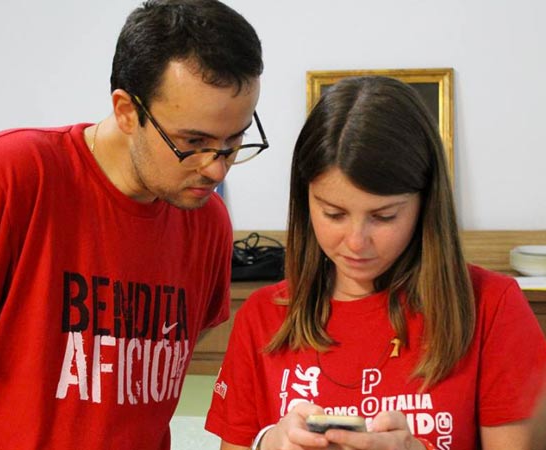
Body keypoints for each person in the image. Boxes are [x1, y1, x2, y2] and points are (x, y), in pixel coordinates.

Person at [0, 1, 266, 449]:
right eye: (193, 141)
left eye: (234, 141)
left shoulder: (207, 221)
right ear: (126, 111)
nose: (216, 169)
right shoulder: (8, 179)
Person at [205, 76, 546, 450]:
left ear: (425, 203)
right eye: (333, 214)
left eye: (384, 217)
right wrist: (268, 444)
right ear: (306, 201)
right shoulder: (262, 318)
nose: (356, 242)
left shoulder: (493, 307)